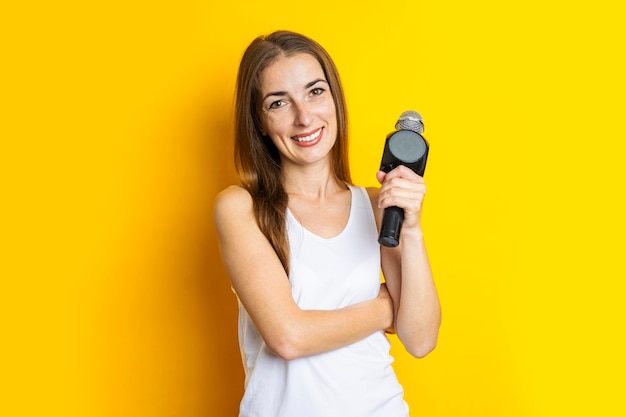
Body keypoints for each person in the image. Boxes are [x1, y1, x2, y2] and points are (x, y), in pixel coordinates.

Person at [214, 30, 441, 417]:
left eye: (315, 91)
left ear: (335, 99)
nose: (304, 117)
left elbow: (419, 340)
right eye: (279, 102)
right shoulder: (241, 208)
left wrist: (412, 231)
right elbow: (288, 336)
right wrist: (386, 309)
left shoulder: (375, 205)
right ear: (260, 122)